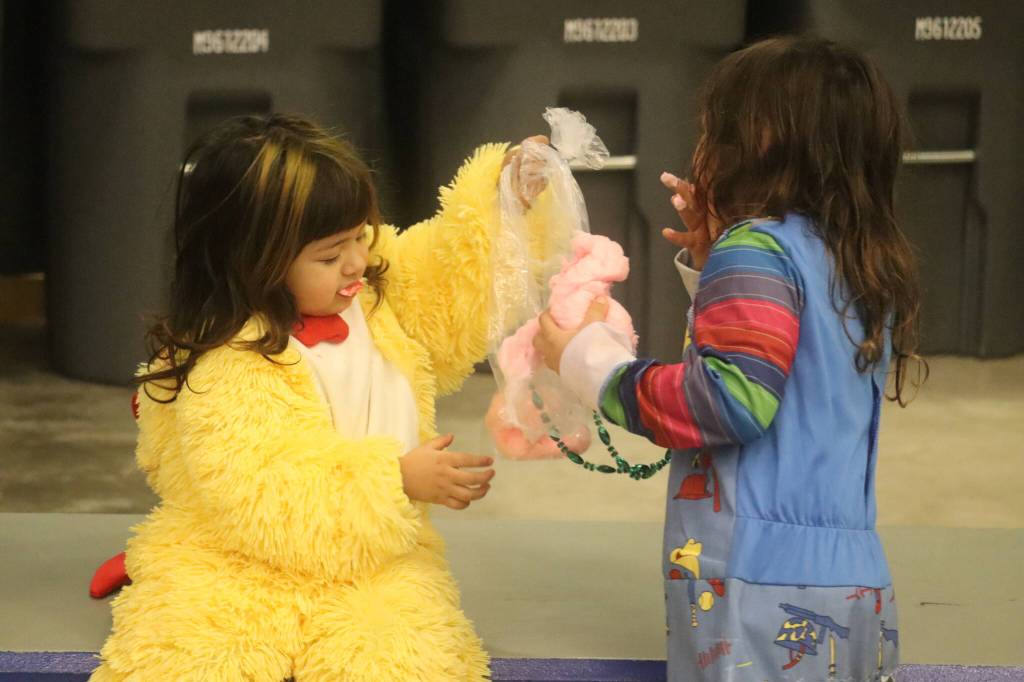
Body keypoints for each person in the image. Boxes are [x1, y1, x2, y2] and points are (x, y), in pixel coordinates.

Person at [90, 113, 546, 681]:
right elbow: (261, 490)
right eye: (330, 255)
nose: (356, 260)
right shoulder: (230, 360)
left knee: (403, 662)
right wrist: (392, 481)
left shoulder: (372, 287)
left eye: (360, 235)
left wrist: (504, 209)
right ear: (255, 263)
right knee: (191, 659)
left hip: (371, 563)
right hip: (233, 563)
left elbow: (447, 278)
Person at [534, 37, 926, 682]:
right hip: (856, 585)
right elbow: (792, 363)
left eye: (714, 130)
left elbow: (729, 400)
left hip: (758, 585)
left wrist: (587, 360)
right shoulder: (850, 258)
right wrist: (717, 259)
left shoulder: (757, 251)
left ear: (757, 143)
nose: (701, 147)